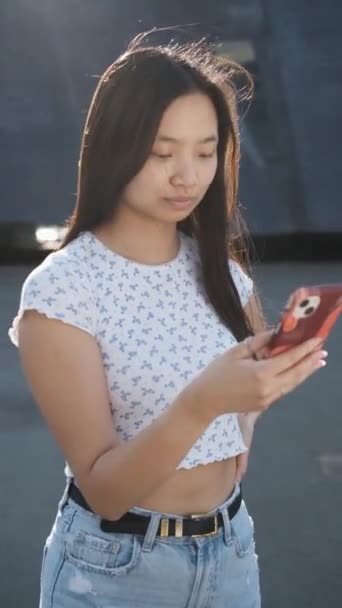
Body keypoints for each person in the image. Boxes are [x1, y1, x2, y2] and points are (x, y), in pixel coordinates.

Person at [9, 33, 327, 608]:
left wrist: (256, 389)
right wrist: (203, 401)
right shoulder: (62, 289)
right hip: (115, 571)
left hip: (229, 550)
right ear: (114, 147)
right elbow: (105, 490)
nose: (188, 175)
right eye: (163, 153)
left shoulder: (221, 272)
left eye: (206, 152)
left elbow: (236, 421)